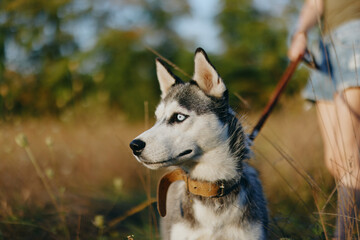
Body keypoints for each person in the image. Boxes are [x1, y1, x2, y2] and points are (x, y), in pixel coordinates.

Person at [288, 0, 360, 239]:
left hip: (355, 36)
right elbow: (314, 3)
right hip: (326, 48)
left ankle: (344, 236)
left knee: (349, 159)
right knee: (334, 160)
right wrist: (301, 33)